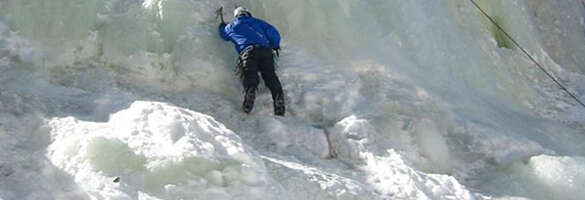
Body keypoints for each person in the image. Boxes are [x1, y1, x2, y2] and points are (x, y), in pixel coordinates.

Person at [217, 7, 285, 116]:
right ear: (248, 14)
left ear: (237, 16)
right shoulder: (258, 22)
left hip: (248, 52)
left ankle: (250, 94)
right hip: (265, 51)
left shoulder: (232, 26)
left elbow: (223, 35)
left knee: (250, 75)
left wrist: (221, 26)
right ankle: (278, 98)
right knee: (270, 76)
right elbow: (274, 33)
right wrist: (275, 45)